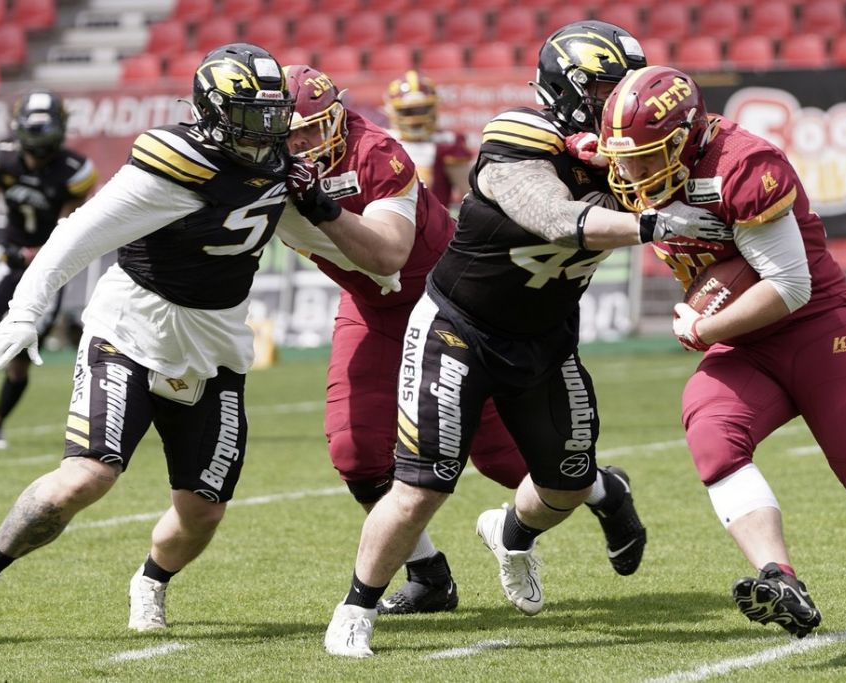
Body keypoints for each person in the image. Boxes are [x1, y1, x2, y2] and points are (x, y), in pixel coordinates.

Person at [313, 21, 734, 658]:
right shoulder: (518, 135)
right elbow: (557, 219)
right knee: (423, 484)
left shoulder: (636, 151)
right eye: (606, 89)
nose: (621, 100)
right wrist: (653, 223)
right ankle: (356, 608)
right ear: (568, 90)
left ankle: (510, 532)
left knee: (567, 481)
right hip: (460, 327)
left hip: (546, 336)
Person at [594, 64, 846, 651]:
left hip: (812, 329)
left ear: (684, 137)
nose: (631, 173)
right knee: (712, 434)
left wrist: (703, 328)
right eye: (624, 159)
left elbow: (789, 286)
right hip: (743, 343)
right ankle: (780, 578)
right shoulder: (631, 160)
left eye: (646, 157)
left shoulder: (744, 166)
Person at [0, 42, 345, 631]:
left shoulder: (283, 169)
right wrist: (26, 310)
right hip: (131, 329)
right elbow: (77, 234)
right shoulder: (174, 165)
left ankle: (151, 581)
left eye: (273, 114)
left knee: (203, 511)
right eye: (250, 115)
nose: (267, 130)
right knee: (87, 476)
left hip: (216, 347)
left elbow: (328, 242)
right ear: (214, 112)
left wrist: (384, 270)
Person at [279, 63, 649, 616]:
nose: (305, 144)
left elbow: (389, 254)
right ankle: (427, 575)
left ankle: (601, 490)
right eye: (291, 135)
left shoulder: (374, 151)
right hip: (372, 309)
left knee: (509, 462)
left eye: (314, 127)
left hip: (453, 304)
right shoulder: (252, 172)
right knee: (355, 451)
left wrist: (317, 202)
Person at [0, 90, 98, 450]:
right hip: (7, 258)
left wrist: (30, 255)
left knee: (20, 357)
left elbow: (66, 234)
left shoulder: (74, 171)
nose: (39, 138)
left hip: (49, 268)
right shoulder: (0, 156)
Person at [383, 70, 471, 212]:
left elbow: (469, 193)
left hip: (435, 222)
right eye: (408, 111)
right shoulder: (382, 141)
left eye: (422, 110)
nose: (416, 118)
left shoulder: (447, 143)